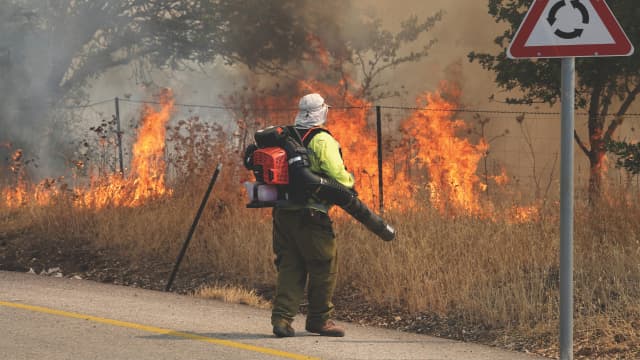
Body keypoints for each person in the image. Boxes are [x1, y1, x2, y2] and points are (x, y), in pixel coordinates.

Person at [271, 93, 355, 338]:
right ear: (322, 112)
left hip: (283, 214)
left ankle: (282, 320)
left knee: (290, 266)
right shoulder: (321, 140)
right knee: (323, 265)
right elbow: (338, 174)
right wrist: (350, 185)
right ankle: (319, 320)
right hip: (312, 215)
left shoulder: (285, 136)